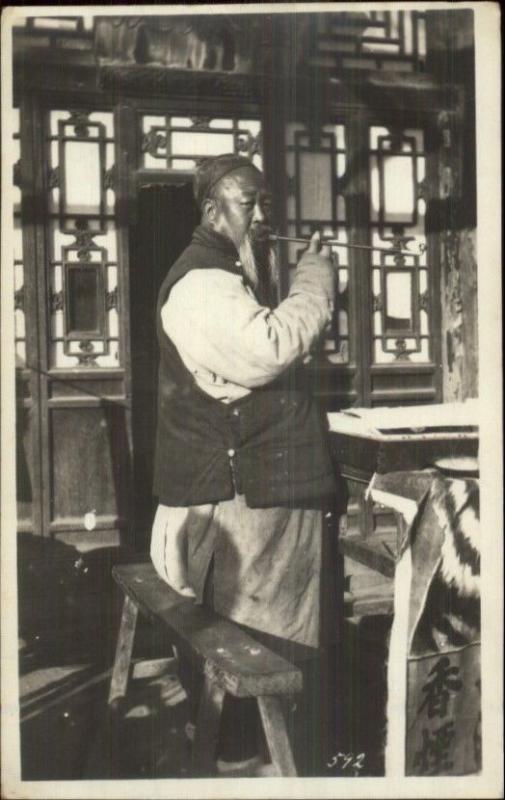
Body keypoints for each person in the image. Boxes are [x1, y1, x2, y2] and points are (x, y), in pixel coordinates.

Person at [150, 153, 341, 774]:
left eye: (265, 204)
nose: (262, 217)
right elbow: (268, 348)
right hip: (243, 500)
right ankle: (253, 763)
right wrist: (315, 280)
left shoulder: (226, 272)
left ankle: (254, 751)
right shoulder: (203, 283)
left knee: (262, 640)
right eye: (247, 203)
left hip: (249, 494)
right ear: (211, 211)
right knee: (258, 646)